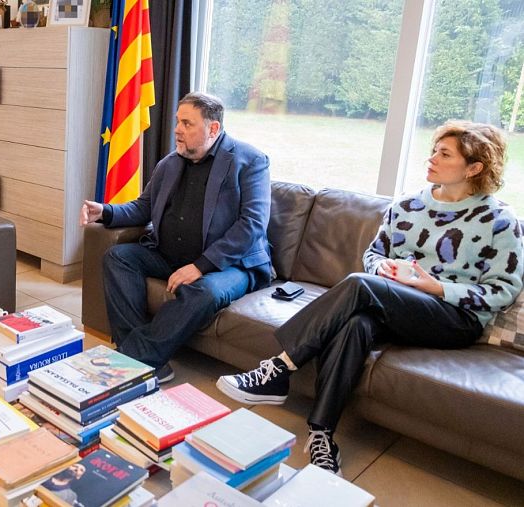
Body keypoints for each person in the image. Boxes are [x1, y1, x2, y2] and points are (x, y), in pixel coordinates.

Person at [216, 120, 523, 476]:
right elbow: (373, 256)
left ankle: (279, 368)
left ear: (474, 167)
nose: (432, 158)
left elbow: (503, 290)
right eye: (434, 150)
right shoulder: (407, 206)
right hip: (395, 304)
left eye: (444, 154)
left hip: (454, 318)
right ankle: (321, 433)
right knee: (356, 325)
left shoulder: (499, 220)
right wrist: (387, 272)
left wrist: (436, 287)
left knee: (360, 286)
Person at [81, 92, 273, 383]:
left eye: (187, 123)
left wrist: (201, 266)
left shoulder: (250, 161)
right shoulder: (170, 163)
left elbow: (252, 225)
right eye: (177, 122)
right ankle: (151, 362)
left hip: (231, 266)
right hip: (169, 255)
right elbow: (143, 207)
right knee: (118, 258)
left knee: (204, 291)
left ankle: (130, 358)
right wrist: (105, 212)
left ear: (213, 129)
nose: (177, 130)